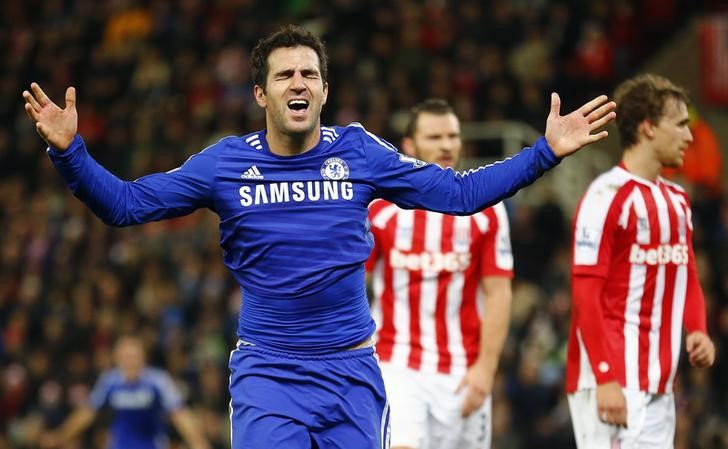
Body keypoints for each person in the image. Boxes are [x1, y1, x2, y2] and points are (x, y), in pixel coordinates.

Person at [22, 24, 615, 449]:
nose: (298, 82)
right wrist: (70, 152)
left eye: (310, 73)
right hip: (268, 372)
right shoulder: (225, 164)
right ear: (262, 94)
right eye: (284, 75)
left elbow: (458, 195)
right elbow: (125, 205)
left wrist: (544, 153)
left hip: (351, 373)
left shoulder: (358, 151)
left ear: (324, 92)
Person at [566, 73, 716, 449]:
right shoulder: (605, 196)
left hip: (659, 386)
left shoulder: (677, 201)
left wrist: (697, 328)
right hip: (611, 381)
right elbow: (585, 293)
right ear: (649, 128)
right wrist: (605, 377)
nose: (690, 136)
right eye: (680, 125)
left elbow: (687, 271)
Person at [366, 99, 512, 449]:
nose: (446, 145)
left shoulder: (487, 208)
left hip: (462, 371)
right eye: (434, 137)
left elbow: (499, 292)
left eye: (453, 135)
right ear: (409, 146)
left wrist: (486, 369)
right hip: (396, 363)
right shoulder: (381, 208)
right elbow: (354, 281)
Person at [40, 336, 210, 449]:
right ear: (117, 359)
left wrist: (199, 443)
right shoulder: (110, 381)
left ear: (143, 358)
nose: (130, 362)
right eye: (125, 357)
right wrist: (60, 435)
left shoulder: (158, 380)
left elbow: (180, 415)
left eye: (134, 356)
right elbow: (87, 413)